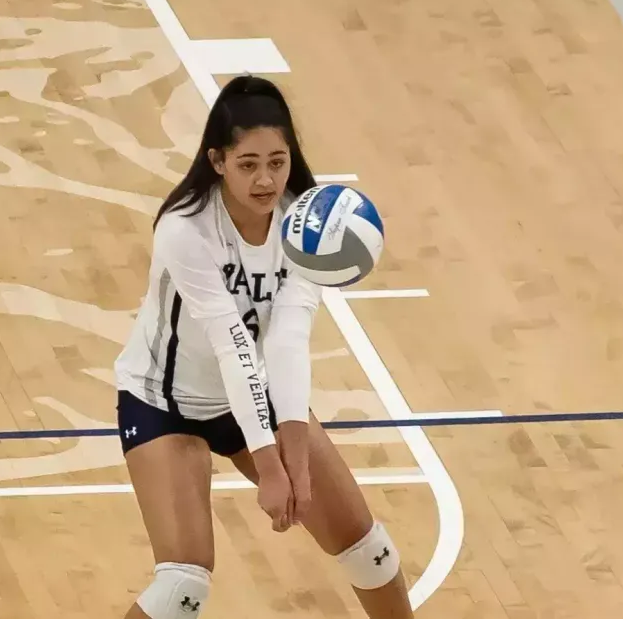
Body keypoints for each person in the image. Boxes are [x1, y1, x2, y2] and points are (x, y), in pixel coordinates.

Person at [113, 75, 415, 619]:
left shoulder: (309, 225)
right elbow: (231, 343)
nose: (265, 178)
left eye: (277, 162)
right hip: (166, 405)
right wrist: (272, 469)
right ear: (218, 161)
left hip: (252, 392)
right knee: (182, 588)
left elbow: (288, 340)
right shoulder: (185, 230)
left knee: (369, 551)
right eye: (248, 163)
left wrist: (293, 458)